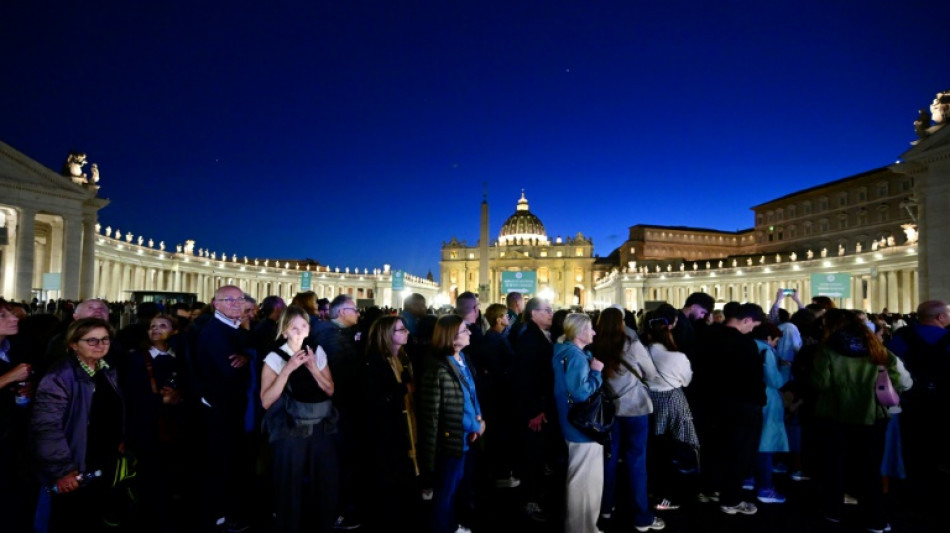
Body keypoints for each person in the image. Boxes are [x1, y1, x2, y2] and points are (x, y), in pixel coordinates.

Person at [811, 309, 901, 533]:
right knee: (870, 469)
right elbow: (896, 381)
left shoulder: (828, 349)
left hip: (835, 415)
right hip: (872, 415)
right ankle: (877, 519)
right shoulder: (878, 348)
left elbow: (819, 383)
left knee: (835, 466)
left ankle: (833, 512)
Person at [31, 317, 124, 532]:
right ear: (74, 344)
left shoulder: (107, 370)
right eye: (91, 341)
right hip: (74, 463)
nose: (100, 345)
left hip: (101, 460)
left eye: (105, 339)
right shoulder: (60, 376)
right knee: (70, 519)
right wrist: (63, 470)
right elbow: (46, 428)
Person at [260, 305, 337, 533]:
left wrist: (313, 367)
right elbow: (266, 401)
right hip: (290, 429)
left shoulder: (316, 351)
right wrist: (288, 369)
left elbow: (330, 389)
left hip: (320, 426)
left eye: (304, 326)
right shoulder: (275, 356)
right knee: (289, 485)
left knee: (324, 482)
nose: (299, 332)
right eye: (294, 328)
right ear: (284, 331)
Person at [591, 307, 665, 532]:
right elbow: (651, 373)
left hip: (608, 410)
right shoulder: (632, 345)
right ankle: (641, 517)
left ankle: (605, 508)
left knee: (608, 461)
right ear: (622, 322)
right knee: (636, 462)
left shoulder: (594, 345)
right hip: (635, 408)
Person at [119, 313, 192, 532]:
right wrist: (161, 399)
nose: (156, 329)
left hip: (175, 424)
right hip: (147, 426)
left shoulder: (182, 357)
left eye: (163, 325)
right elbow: (130, 394)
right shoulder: (136, 359)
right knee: (150, 475)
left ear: (175, 331)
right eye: (152, 326)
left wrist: (180, 395)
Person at [691, 303, 766, 516]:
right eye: (752, 326)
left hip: (708, 405)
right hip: (740, 407)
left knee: (711, 449)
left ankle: (708, 490)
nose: (751, 330)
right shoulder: (744, 344)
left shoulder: (706, 336)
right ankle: (731, 500)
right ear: (746, 320)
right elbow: (753, 379)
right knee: (738, 454)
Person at [192, 285, 255, 532]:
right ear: (215, 304)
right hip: (222, 410)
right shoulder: (215, 332)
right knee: (223, 464)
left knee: (231, 461)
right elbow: (230, 371)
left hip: (231, 408)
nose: (236, 303)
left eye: (240, 299)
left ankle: (227, 511)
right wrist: (249, 359)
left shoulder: (232, 328)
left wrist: (248, 357)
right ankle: (220, 516)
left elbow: (244, 358)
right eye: (229, 300)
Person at [418, 314, 485, 533]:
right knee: (445, 492)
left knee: (455, 489)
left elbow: (471, 395)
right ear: (451, 337)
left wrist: (478, 420)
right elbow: (442, 413)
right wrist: (476, 426)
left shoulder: (462, 359)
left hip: (465, 435)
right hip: (450, 440)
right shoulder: (438, 369)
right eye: (465, 330)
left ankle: (450, 525)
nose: (470, 333)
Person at [360, 314, 421, 531]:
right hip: (388, 435)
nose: (407, 332)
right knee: (389, 489)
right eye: (401, 330)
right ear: (387, 334)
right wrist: (404, 389)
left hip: (405, 428)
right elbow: (373, 400)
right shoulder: (374, 363)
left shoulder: (403, 358)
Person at [639, 303, 698, 514]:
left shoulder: (642, 351)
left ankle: (650, 490)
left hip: (647, 401)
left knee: (652, 450)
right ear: (672, 325)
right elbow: (686, 381)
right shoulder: (678, 357)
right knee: (674, 451)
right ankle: (666, 496)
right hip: (672, 401)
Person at [312, 294, 363, 530]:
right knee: (339, 462)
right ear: (341, 312)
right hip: (339, 410)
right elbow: (344, 375)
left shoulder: (337, 335)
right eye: (354, 309)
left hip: (340, 408)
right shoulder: (332, 337)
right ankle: (338, 511)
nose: (358, 313)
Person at [885, 300, 950, 485]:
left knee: (912, 439)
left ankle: (912, 474)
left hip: (909, 397)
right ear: (941, 317)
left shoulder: (901, 337)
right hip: (942, 398)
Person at [552, 313, 605, 533]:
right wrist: (596, 373)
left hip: (570, 422)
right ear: (580, 331)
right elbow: (582, 393)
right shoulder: (574, 356)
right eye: (590, 328)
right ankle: (582, 527)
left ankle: (581, 525)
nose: (593, 332)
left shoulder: (563, 351)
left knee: (581, 477)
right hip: (582, 425)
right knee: (585, 480)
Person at [510, 297, 558, 523]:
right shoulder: (530, 339)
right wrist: (535, 411)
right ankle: (528, 501)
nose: (551, 313)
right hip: (534, 409)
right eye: (547, 310)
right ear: (533, 314)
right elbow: (525, 379)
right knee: (531, 456)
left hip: (539, 405)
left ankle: (535, 495)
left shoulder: (536, 335)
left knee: (536, 456)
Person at [0, 298, 38, 531]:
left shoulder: (16, 347)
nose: (15, 318)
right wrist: (8, 378)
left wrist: (27, 388)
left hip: (12, 437)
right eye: (4, 316)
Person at [750, 322, 789, 504]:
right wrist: (786, 369)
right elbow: (775, 381)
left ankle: (748, 478)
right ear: (768, 338)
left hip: (750, 399)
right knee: (766, 445)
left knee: (751, 441)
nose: (776, 344)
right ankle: (765, 488)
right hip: (768, 400)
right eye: (776, 340)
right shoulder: (767, 351)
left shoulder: (747, 346)